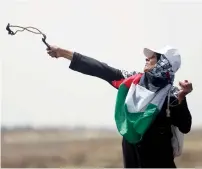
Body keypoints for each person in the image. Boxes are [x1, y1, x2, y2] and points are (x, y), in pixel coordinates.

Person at [46, 45, 193, 168]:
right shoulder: (131, 82)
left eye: (153, 57)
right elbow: (101, 69)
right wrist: (63, 53)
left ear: (164, 64)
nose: (147, 58)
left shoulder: (172, 94)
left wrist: (181, 98)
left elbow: (185, 126)